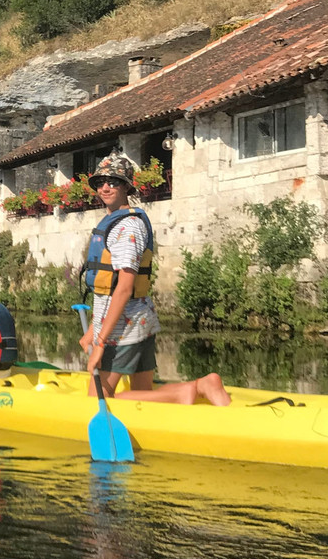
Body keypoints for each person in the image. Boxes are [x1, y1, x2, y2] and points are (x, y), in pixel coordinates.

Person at [80, 154, 231, 406]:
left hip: (122, 328)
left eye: (113, 182)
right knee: (146, 397)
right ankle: (197, 390)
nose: (105, 187)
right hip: (140, 319)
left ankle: (194, 388)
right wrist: (93, 330)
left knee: (98, 400)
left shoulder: (127, 227)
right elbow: (109, 287)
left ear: (127, 186)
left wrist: (100, 342)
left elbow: (124, 288)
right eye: (100, 182)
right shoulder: (120, 221)